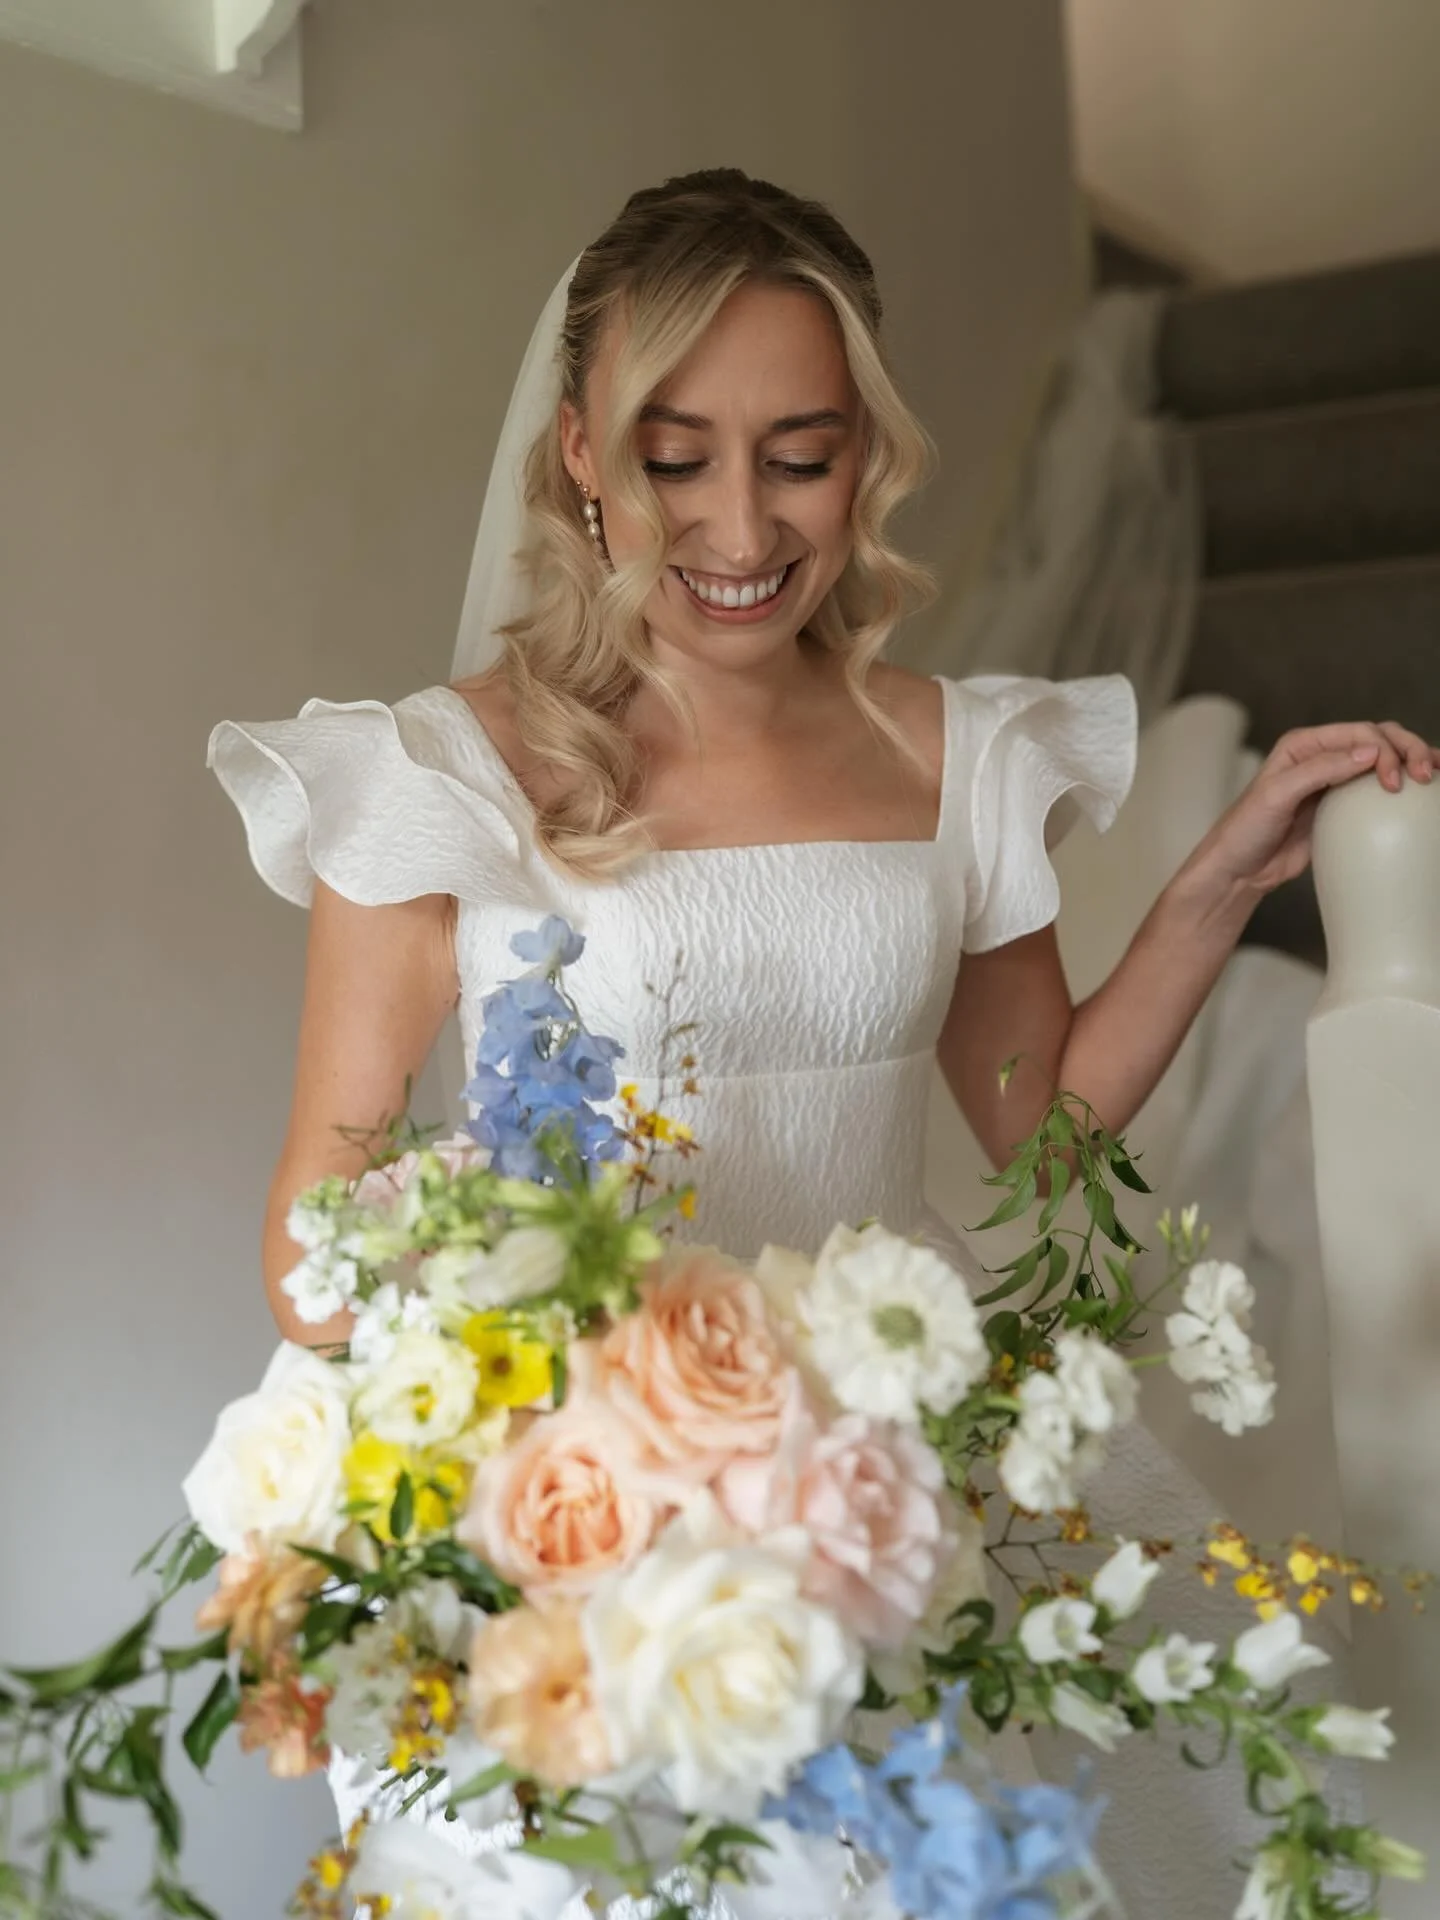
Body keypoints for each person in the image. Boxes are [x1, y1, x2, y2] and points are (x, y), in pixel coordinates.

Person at [208, 168, 1438, 1913]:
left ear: (869, 455)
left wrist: (1208, 891)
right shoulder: (435, 778)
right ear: (576, 452)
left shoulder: (958, 754)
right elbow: (310, 1258)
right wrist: (557, 1378)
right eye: (671, 455)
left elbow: (1043, 1132)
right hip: (583, 1525)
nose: (739, 527)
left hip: (896, 1484)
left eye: (801, 453)